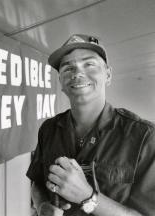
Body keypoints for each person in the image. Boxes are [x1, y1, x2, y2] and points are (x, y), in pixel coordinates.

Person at [26, 34, 155, 216]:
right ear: (61, 81)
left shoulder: (145, 137)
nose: (77, 73)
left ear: (108, 75)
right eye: (68, 68)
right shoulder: (49, 129)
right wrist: (41, 205)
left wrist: (88, 197)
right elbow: (37, 182)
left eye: (89, 64)